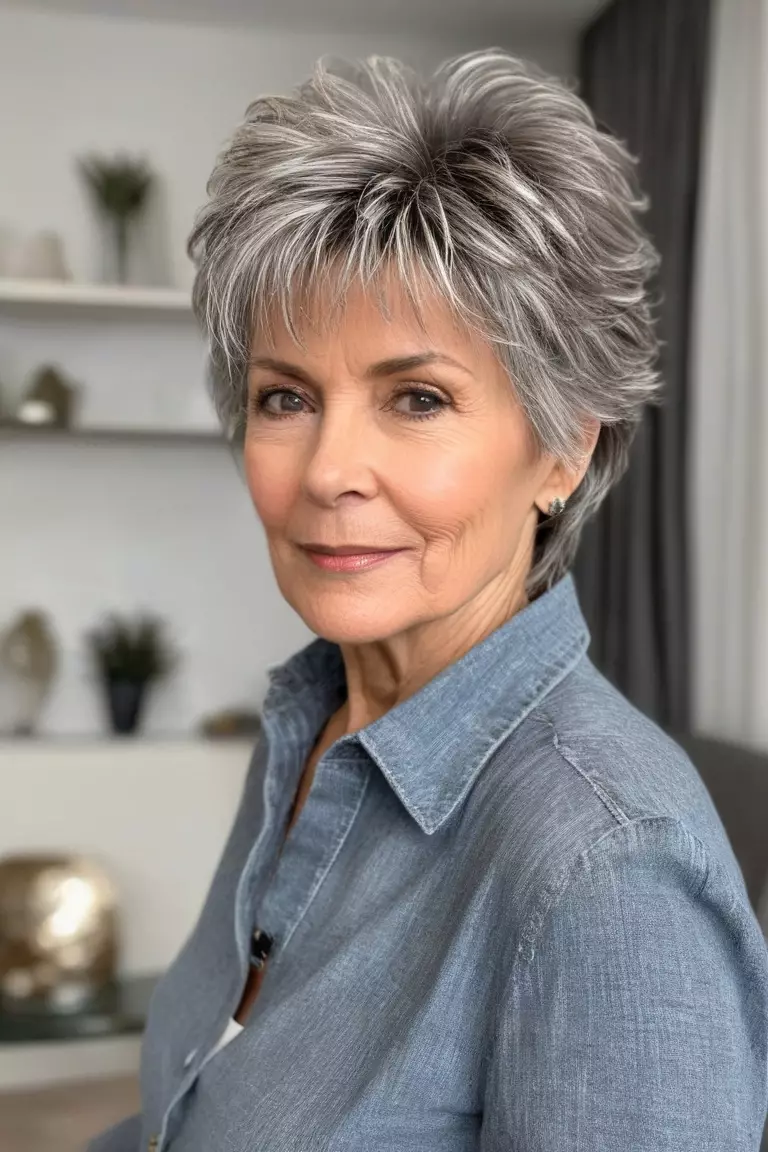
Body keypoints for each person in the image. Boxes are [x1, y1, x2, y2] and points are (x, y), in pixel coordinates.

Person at [89, 49, 768, 1152]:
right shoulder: (307, 730)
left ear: (562, 449)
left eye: (416, 397)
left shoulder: (606, 869)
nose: (327, 471)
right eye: (285, 397)